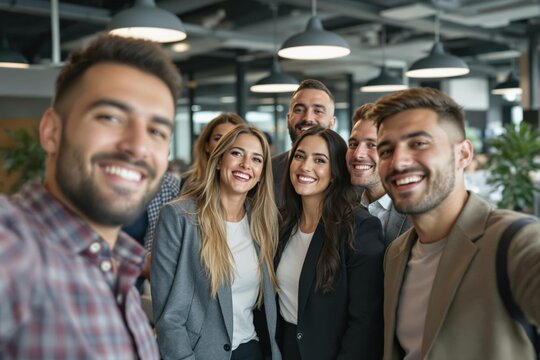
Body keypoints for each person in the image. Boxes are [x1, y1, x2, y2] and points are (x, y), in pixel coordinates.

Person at [0, 35, 181, 359]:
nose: (138, 146)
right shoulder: (14, 250)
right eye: (110, 117)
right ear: (51, 131)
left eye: (157, 131)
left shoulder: (119, 269)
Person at [371, 87, 540, 360]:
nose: (398, 161)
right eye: (387, 150)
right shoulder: (397, 253)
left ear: (463, 154)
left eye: (418, 143)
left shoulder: (515, 242)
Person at [151, 124, 281, 360]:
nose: (245, 164)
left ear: (261, 173)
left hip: (252, 350)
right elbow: (168, 317)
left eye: (257, 159)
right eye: (236, 153)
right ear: (219, 160)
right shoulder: (178, 217)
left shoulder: (262, 223)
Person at [275, 126, 385, 359]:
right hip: (284, 349)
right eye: (299, 156)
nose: (305, 167)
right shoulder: (282, 222)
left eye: (319, 160)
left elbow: (365, 323)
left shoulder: (360, 227)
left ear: (335, 172)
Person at [346, 103, 411, 246]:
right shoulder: (344, 208)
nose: (358, 154)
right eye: (353, 144)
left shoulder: (416, 214)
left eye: (372, 145)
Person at [272, 79, 336, 205]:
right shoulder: (266, 171)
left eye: (318, 111)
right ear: (288, 119)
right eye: (299, 110)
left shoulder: (348, 173)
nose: (307, 118)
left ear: (332, 123)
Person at [181, 112, 245, 194]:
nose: (224, 144)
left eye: (231, 139)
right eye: (218, 139)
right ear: (207, 145)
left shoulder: (248, 183)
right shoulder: (187, 183)